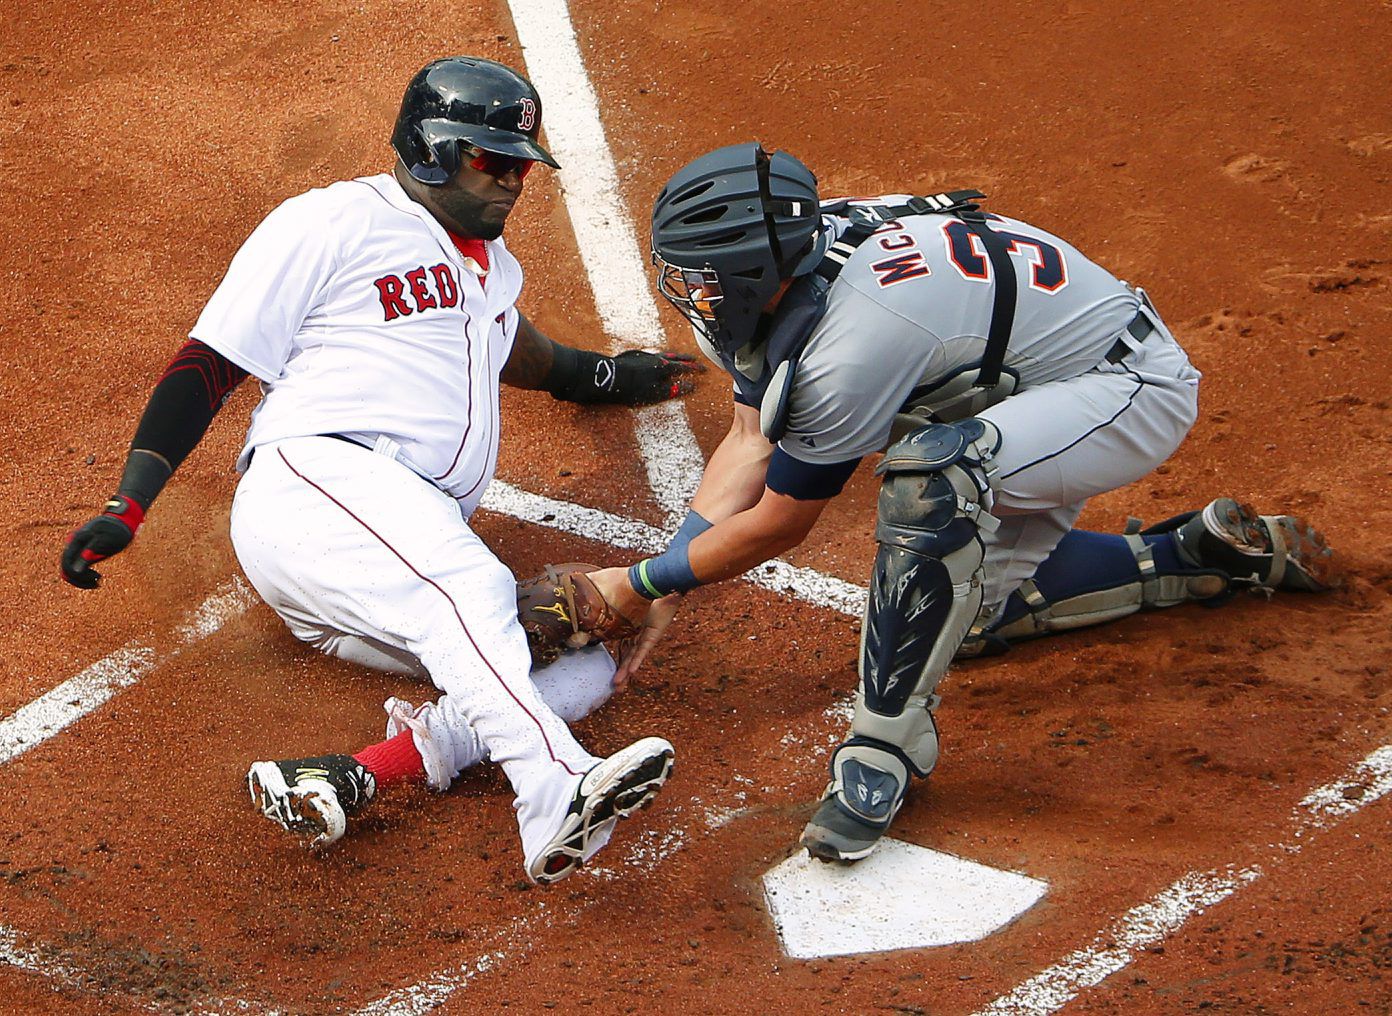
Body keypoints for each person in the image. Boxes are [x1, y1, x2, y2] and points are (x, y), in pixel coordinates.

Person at [577, 142, 1334, 863]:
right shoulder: (795, 260)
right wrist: (669, 573)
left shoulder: (851, 344)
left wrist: (643, 583)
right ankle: (1185, 558)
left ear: (755, 273)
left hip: (1124, 393)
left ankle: (882, 751)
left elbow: (781, 520)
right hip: (1013, 386)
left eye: (706, 275)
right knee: (960, 617)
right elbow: (750, 438)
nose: (690, 292)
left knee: (932, 482)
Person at [59, 56, 704, 885]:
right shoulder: (334, 222)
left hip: (375, 559)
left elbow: (532, 357)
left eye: (521, 165)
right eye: (493, 161)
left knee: (582, 655)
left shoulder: (490, 270)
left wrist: (615, 378)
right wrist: (131, 503)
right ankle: (554, 787)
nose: (513, 180)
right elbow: (206, 366)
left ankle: (366, 771)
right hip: (324, 484)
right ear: (432, 148)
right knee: (468, 592)